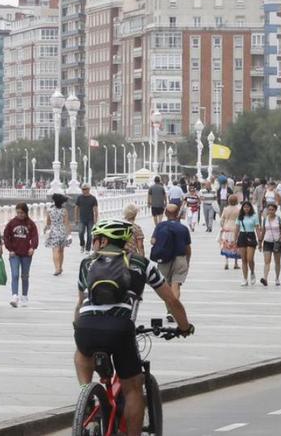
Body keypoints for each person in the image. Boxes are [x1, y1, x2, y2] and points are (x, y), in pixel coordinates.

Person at [73, 219, 193, 436]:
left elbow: (80, 303)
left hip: (86, 326)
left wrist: (77, 327)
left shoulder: (86, 264)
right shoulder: (141, 263)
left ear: (104, 240)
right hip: (120, 329)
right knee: (133, 389)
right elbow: (171, 300)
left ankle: (86, 394)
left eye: (95, 239)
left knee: (82, 353)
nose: (93, 243)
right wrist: (184, 326)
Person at [150, 204, 192, 300]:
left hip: (164, 259)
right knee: (176, 284)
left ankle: (170, 310)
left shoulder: (160, 226)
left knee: (166, 285)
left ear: (165, 213)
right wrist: (188, 260)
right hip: (180, 259)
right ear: (177, 214)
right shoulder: (183, 228)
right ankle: (174, 310)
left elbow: (153, 241)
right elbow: (188, 248)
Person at [3, 203, 39, 307]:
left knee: (25, 275)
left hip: (26, 253)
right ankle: (14, 296)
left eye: (22, 213)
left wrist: (33, 247)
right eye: (18, 212)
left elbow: (35, 236)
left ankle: (24, 295)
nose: (20, 215)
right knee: (15, 274)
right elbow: (6, 236)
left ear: (26, 212)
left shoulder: (30, 224)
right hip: (14, 253)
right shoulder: (12, 223)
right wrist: (9, 249)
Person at [257, 203, 281, 286]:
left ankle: (277, 278)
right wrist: (260, 242)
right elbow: (263, 231)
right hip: (267, 242)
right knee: (267, 261)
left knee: (277, 261)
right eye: (269, 209)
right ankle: (265, 278)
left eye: (272, 209)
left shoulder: (279, 219)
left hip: (277, 242)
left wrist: (280, 239)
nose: (271, 211)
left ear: (275, 210)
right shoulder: (265, 219)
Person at [46, 193, 72, 275]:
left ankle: (57, 268)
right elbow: (67, 223)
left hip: (53, 231)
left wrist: (45, 229)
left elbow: (48, 223)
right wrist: (69, 234)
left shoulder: (50, 210)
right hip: (62, 231)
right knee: (61, 251)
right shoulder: (64, 211)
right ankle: (60, 267)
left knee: (55, 251)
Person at [235, 201, 259, 287]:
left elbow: (257, 228)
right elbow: (237, 228)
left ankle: (252, 272)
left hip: (251, 235)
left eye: (248, 207)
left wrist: (260, 240)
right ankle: (245, 279)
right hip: (242, 236)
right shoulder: (240, 216)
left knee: (250, 258)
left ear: (250, 208)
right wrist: (235, 240)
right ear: (242, 208)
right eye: (244, 207)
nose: (246, 209)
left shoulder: (254, 216)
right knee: (243, 259)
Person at [219, 193, 242, 271]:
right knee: (235, 244)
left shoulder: (225, 209)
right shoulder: (238, 209)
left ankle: (226, 262)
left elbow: (221, 220)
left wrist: (223, 227)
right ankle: (235, 263)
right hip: (235, 228)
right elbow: (240, 220)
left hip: (227, 228)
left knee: (227, 244)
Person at [73, 185, 99, 254]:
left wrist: (96, 219)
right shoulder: (79, 198)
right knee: (80, 233)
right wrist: (76, 218)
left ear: (88, 189)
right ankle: (82, 245)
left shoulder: (93, 198)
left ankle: (88, 249)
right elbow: (76, 208)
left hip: (90, 219)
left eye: (85, 189)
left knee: (90, 235)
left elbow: (95, 210)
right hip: (82, 219)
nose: (83, 190)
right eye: (82, 189)